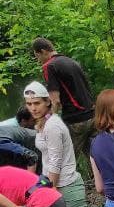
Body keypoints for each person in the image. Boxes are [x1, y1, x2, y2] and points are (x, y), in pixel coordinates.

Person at [22, 81, 114, 207]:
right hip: (54, 183)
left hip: (66, 185)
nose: (33, 107)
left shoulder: (53, 126)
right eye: (29, 104)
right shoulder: (43, 123)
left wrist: (49, 190)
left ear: (47, 102)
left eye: (37, 103)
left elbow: (54, 160)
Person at [30, 39, 96, 174]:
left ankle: (60, 191)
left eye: (37, 57)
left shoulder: (50, 66)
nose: (38, 61)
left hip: (75, 120)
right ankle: (100, 185)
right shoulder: (71, 61)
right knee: (93, 155)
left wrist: (47, 120)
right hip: (92, 115)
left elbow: (56, 101)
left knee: (65, 160)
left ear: (43, 51)